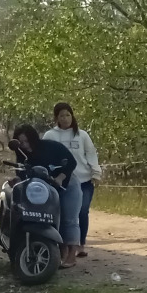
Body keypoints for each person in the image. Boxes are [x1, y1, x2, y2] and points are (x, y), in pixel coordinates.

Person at [9, 124, 81, 266]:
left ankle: (72, 255)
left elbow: (71, 162)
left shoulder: (51, 146)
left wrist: (60, 177)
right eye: (21, 143)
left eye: (27, 141)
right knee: (54, 219)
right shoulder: (22, 156)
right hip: (44, 189)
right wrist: (17, 180)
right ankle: (61, 253)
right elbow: (23, 174)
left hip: (66, 185)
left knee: (69, 219)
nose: (24, 145)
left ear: (34, 139)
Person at [43, 102, 102, 259]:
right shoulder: (50, 136)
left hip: (83, 180)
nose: (66, 118)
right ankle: (62, 246)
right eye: (62, 115)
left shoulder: (81, 135)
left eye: (68, 115)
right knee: (64, 214)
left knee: (82, 211)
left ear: (72, 116)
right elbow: (44, 157)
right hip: (61, 182)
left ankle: (80, 244)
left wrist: (96, 173)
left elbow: (91, 154)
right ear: (57, 118)